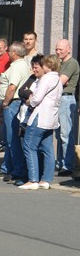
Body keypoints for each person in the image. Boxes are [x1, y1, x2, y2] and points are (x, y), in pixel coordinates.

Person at [18, 55, 63, 189]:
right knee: (48, 148)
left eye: (43, 64)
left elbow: (36, 98)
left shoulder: (47, 78)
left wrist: (30, 100)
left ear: (48, 65)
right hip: (51, 118)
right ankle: (46, 179)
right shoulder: (58, 79)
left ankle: (33, 180)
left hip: (40, 116)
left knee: (29, 146)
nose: (41, 66)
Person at [0, 41, 29, 182]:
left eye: (10, 51)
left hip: (12, 103)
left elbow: (12, 87)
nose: (8, 53)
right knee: (11, 139)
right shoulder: (22, 65)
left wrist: (5, 102)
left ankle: (18, 170)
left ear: (14, 53)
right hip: (14, 103)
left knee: (12, 139)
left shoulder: (17, 67)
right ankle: (12, 167)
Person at [54, 39, 79, 177]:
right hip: (59, 98)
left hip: (66, 98)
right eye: (56, 49)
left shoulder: (72, 63)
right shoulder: (60, 63)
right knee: (59, 134)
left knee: (66, 134)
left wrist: (58, 80)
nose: (58, 51)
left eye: (61, 49)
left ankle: (67, 165)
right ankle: (60, 163)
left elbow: (59, 82)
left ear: (69, 49)